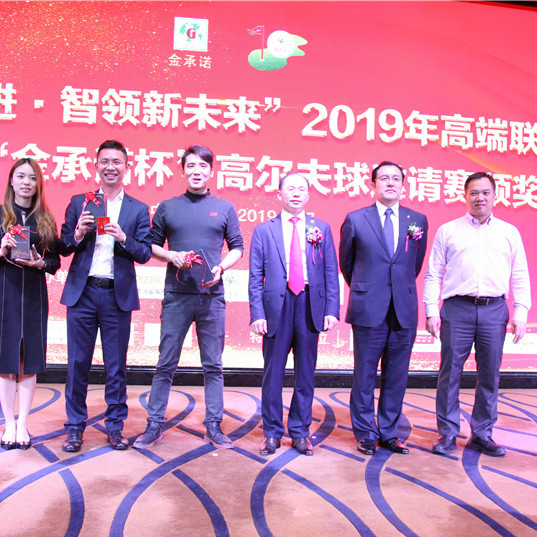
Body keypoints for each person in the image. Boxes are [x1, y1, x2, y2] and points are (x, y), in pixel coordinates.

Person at [132, 144, 244, 450]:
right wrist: (172, 256)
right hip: (176, 295)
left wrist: (222, 266)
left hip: (211, 296)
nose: (197, 171)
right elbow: (151, 245)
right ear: (182, 171)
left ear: (211, 171)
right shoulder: (168, 207)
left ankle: (214, 425)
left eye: (203, 166)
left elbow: (237, 246)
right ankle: (155, 424)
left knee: (213, 365)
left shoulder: (225, 208)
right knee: (165, 363)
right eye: (191, 166)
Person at [423, 172, 531, 457]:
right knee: (450, 373)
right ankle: (448, 432)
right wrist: (431, 310)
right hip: (456, 308)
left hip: (494, 309)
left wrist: (521, 311)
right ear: (465, 195)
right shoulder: (448, 230)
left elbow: (520, 274)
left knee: (489, 375)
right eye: (473, 193)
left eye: (485, 192)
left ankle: (482, 433)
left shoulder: (509, 232)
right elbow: (434, 273)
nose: (479, 198)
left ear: (495, 196)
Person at [59, 140, 152, 452]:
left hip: (116, 296)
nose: (110, 167)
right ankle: (74, 428)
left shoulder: (138, 209)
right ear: (96, 165)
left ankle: (115, 427)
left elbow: (144, 253)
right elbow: (62, 246)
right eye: (105, 161)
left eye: (117, 162)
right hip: (83, 293)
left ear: (126, 167)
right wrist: (77, 233)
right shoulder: (80, 202)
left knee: (116, 367)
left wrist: (124, 238)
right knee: (77, 365)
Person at [339, 161, 428, 456]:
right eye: (384, 178)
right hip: (368, 308)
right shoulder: (356, 219)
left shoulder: (417, 220)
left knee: (397, 375)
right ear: (373, 184)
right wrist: (368, 288)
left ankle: (389, 432)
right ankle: (366, 433)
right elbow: (347, 264)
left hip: (403, 308)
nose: (390, 183)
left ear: (403, 184)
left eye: (396, 178)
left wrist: (396, 287)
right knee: (364, 375)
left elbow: (414, 265)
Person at [0, 157, 61, 450]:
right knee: (5, 359)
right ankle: (8, 424)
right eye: (21, 176)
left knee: (28, 360)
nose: (26, 182)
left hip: (34, 293)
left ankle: (23, 423)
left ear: (39, 184)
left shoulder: (45, 219)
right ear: (11, 180)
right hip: (3, 292)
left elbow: (54, 261)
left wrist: (40, 263)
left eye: (33, 178)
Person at [248, 173, 340, 456]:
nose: (296, 193)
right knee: (272, 374)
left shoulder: (321, 228)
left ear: (309, 195)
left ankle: (300, 432)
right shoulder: (264, 230)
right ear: (280, 194)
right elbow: (255, 276)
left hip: (310, 304)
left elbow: (330, 271)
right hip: (276, 306)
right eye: (290, 188)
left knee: (305, 374)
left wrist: (332, 309)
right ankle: (272, 433)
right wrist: (257, 313)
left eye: (302, 189)